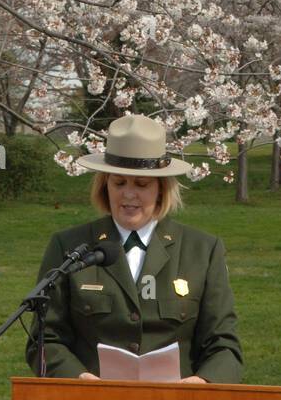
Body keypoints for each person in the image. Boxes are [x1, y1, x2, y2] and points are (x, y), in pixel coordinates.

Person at [25, 114, 243, 383]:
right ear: (105, 185)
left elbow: (224, 345)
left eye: (141, 185)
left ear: (162, 189)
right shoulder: (69, 247)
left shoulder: (202, 250)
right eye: (119, 183)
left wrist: (201, 384)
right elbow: (44, 339)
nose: (128, 195)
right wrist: (79, 379)